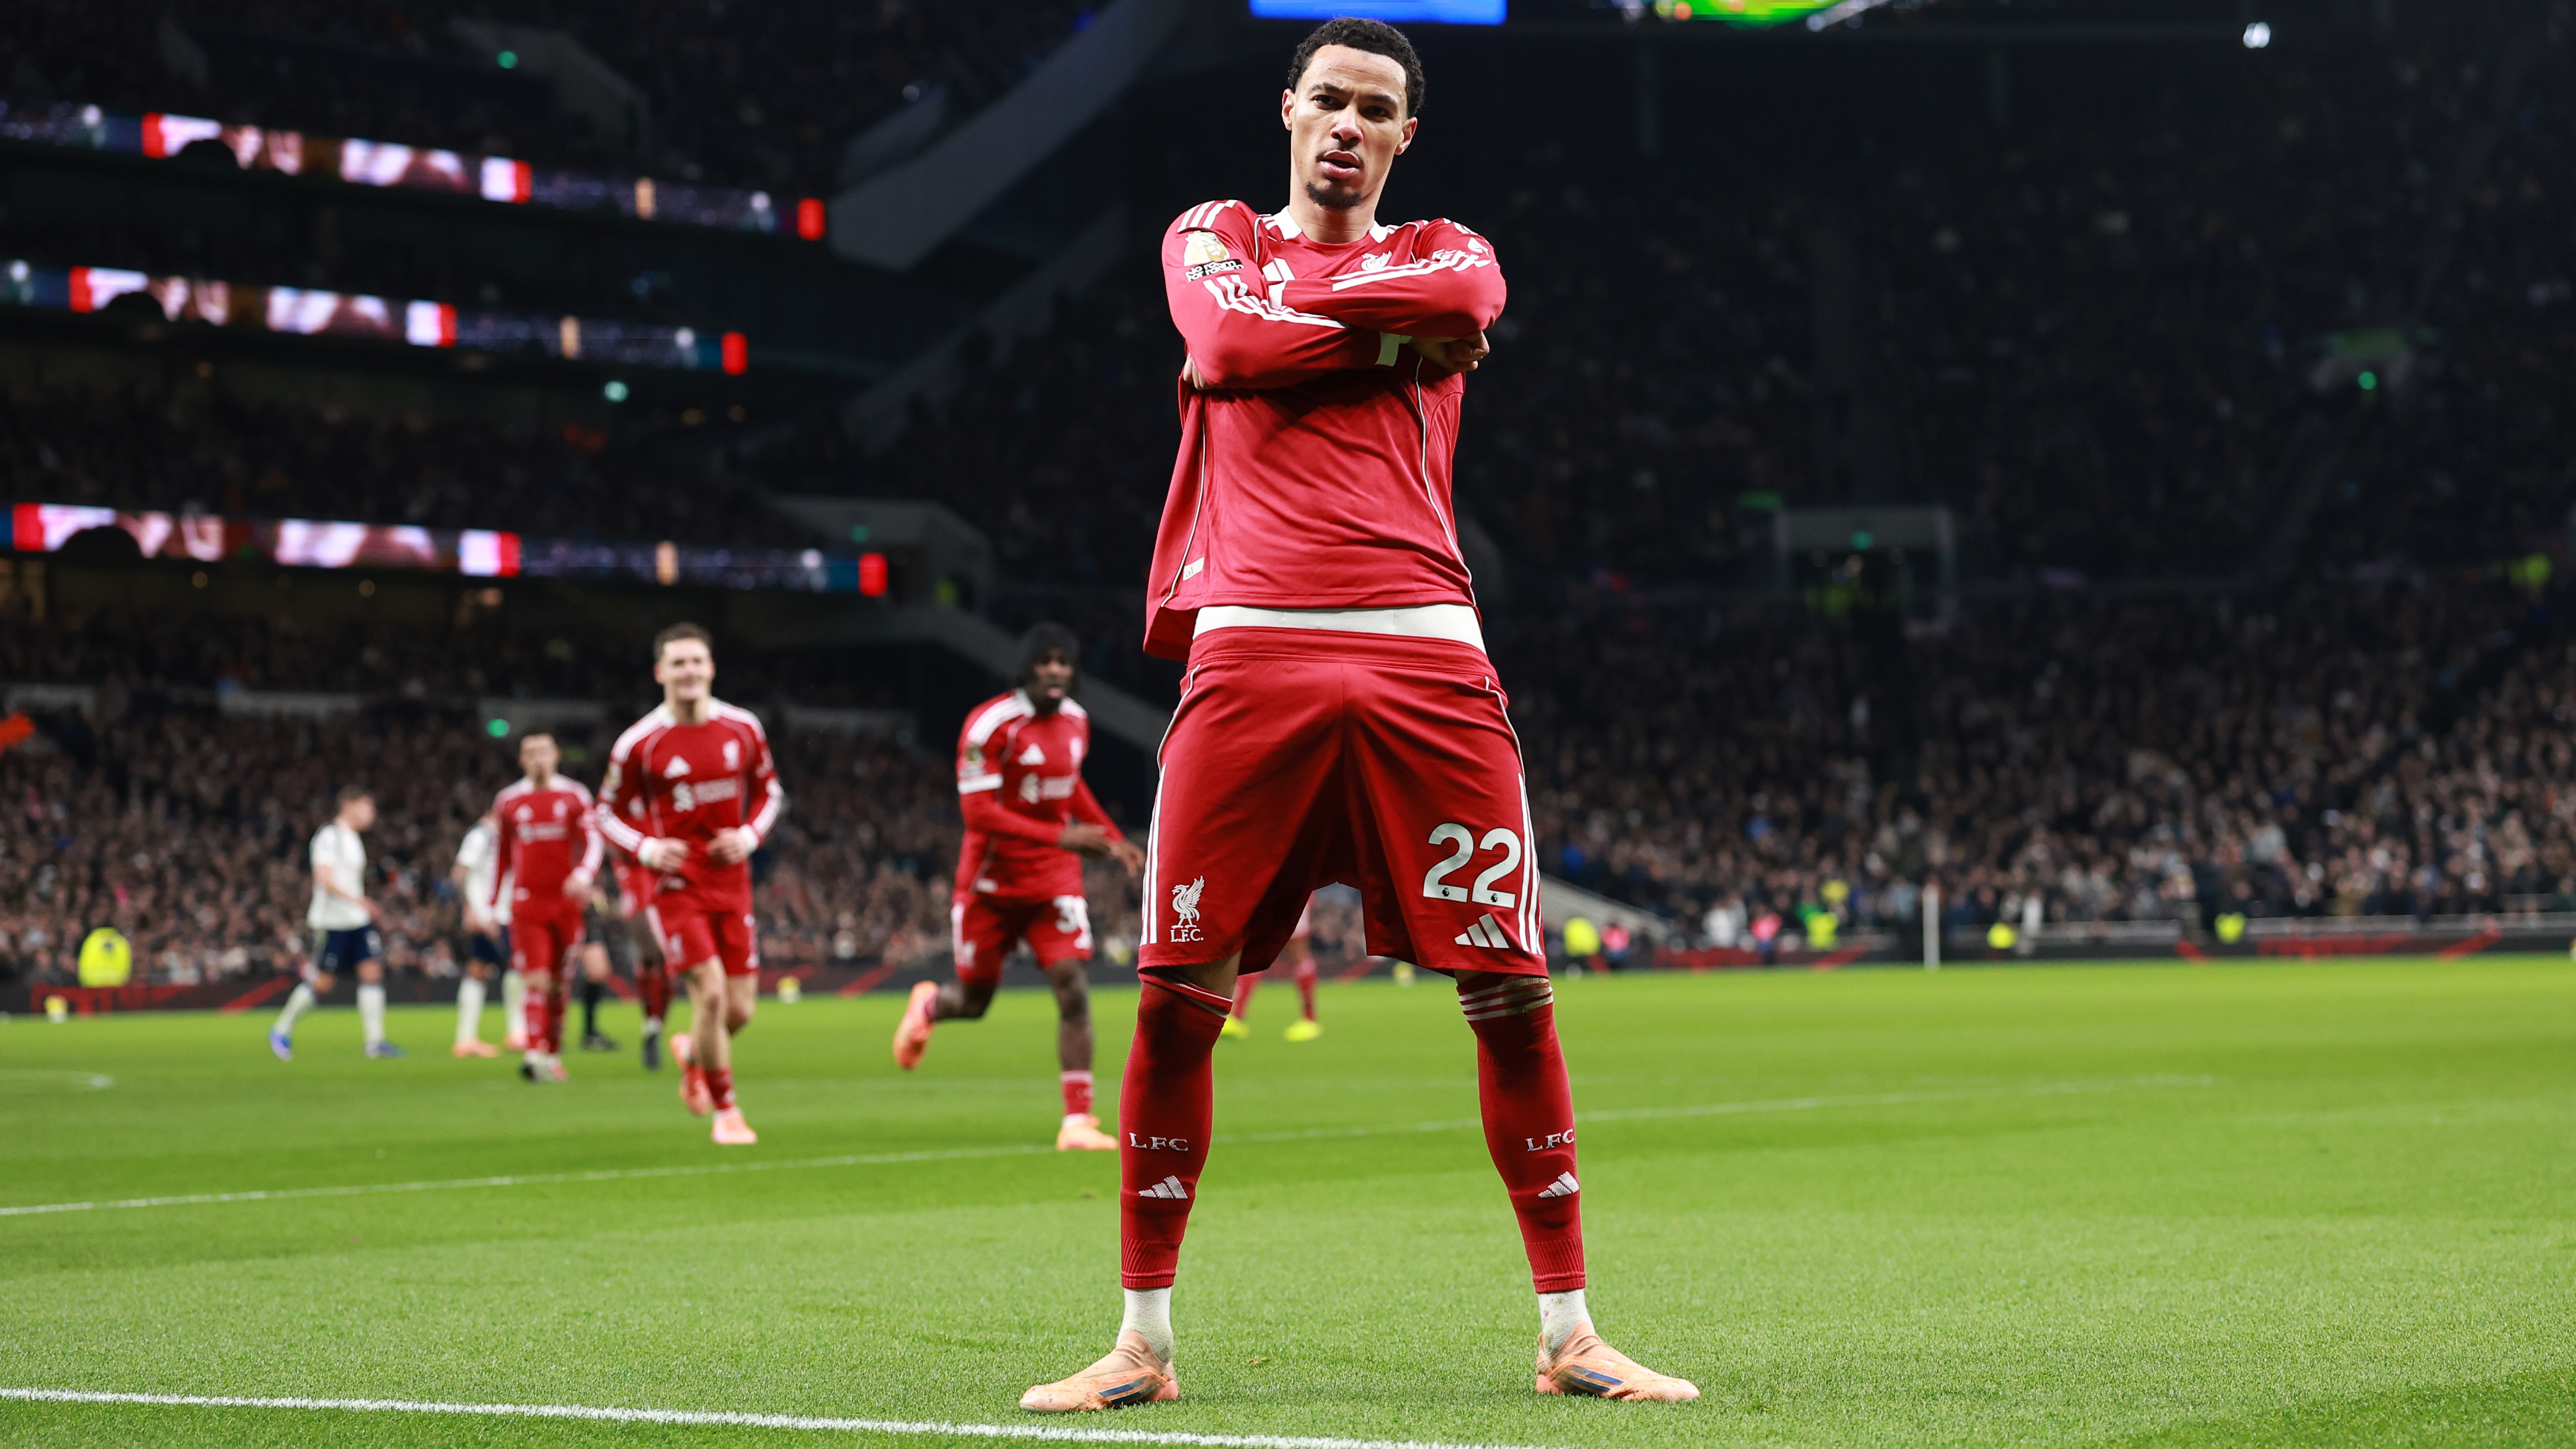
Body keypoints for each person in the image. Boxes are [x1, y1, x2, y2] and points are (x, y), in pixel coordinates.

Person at [1021, 19, 1695, 1411]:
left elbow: (1439, 318)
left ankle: (1568, 1330)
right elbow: (1212, 331)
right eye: (1324, 98)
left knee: (1509, 991)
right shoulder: (1209, 233)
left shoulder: (1448, 249)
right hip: (1248, 654)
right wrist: (1361, 342)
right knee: (1177, 997)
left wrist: (1277, 348)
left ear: (1402, 137)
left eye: (1372, 109)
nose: (1343, 123)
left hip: (1426, 657)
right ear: (1284, 108)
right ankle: (1141, 1340)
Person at [891, 623, 1145, 1151]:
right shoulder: (989, 726)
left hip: (1053, 880)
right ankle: (931, 1006)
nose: (1055, 670)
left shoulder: (1076, 722)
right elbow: (977, 812)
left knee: (1073, 985)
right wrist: (1062, 834)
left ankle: (1077, 1121)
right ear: (1025, 667)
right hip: (990, 884)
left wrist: (1114, 839)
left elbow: (1069, 783)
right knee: (976, 1000)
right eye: (1044, 660)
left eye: (1064, 662)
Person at [596, 623, 783, 1145]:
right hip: (676, 886)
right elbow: (604, 813)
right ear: (660, 673)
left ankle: (692, 1054)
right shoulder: (639, 743)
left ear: (712, 668)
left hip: (733, 881)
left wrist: (749, 835)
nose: (688, 672)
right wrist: (649, 850)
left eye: (697, 661)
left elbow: (771, 792)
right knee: (711, 994)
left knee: (741, 1008)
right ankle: (728, 1111)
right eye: (677, 663)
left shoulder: (742, 728)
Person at [489, 732, 601, 1083]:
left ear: (556, 756)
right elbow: (502, 855)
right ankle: (534, 1052)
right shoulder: (508, 801)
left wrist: (583, 875)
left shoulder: (575, 795)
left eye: (544, 752)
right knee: (535, 978)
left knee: (560, 983)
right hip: (527, 903)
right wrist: (493, 902)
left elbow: (593, 841)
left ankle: (552, 1054)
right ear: (522, 760)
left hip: (567, 904)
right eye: (531, 754)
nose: (538, 759)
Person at [271, 785, 404, 1060]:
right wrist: (361, 901)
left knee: (372, 973)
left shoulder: (353, 838)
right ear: (349, 806)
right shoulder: (329, 836)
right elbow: (324, 878)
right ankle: (281, 1029)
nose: (372, 814)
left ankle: (375, 1042)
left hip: (356, 921)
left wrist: (361, 906)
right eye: (368, 807)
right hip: (333, 921)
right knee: (323, 983)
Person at [1220, 894, 1320, 1041]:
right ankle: (1236, 1018)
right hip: (1266, 890)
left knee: (1297, 954)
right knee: (1254, 950)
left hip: (1294, 891)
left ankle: (1309, 1020)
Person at [449, 812, 507, 1058]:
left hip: (499, 913)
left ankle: (466, 1039)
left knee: (479, 969)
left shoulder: (495, 836)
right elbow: (458, 874)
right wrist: (471, 910)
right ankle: (518, 1032)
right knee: (517, 967)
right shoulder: (481, 835)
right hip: (489, 915)